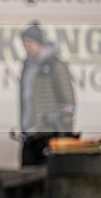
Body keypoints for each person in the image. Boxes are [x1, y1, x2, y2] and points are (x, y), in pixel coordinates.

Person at [19, 22, 76, 166]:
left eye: (29, 42)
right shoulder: (27, 66)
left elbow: (69, 102)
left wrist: (64, 130)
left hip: (50, 134)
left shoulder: (56, 66)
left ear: (39, 42)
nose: (26, 47)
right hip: (30, 134)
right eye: (24, 43)